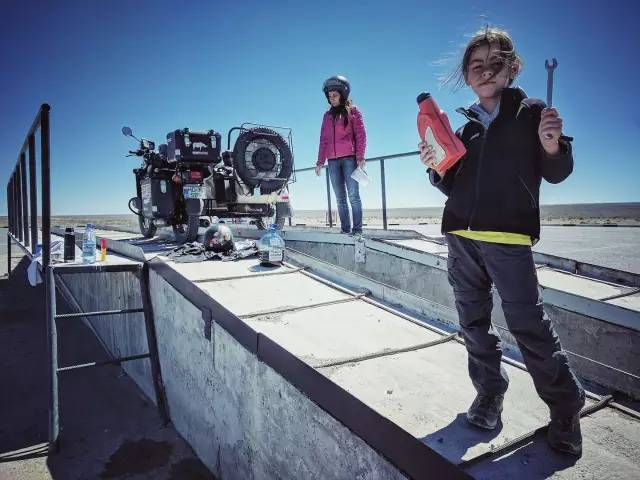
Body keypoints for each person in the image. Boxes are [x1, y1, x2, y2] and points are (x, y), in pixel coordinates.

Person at [420, 27, 585, 455]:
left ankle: (565, 408)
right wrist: (436, 168)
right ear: (466, 75)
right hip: (461, 237)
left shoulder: (532, 115)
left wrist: (552, 145)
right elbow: (452, 185)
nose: (486, 71)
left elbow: (557, 171)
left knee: (528, 323)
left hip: (508, 237)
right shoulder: (465, 129)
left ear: (512, 69)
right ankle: (490, 392)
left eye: (497, 63)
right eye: (477, 65)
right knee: (472, 321)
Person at [316, 75, 367, 235]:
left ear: (342, 95)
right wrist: (319, 162)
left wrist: (360, 157)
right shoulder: (327, 116)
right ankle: (345, 230)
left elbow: (361, 135)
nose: (332, 98)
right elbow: (323, 140)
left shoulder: (353, 111)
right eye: (329, 96)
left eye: (335, 95)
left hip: (349, 159)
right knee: (340, 198)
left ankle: (357, 230)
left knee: (353, 196)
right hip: (332, 162)